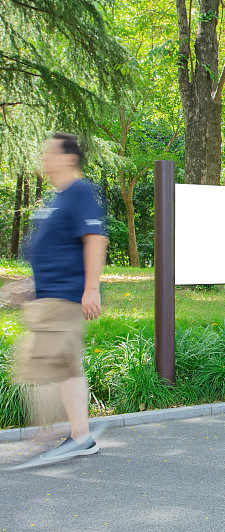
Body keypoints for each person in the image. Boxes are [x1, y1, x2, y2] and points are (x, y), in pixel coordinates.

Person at [14, 132, 107, 463]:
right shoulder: (58, 197)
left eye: (50, 153)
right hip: (48, 297)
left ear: (69, 158)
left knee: (43, 368)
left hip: (64, 296)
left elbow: (95, 238)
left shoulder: (80, 191)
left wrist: (91, 288)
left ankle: (65, 436)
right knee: (61, 367)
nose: (44, 158)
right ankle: (76, 435)